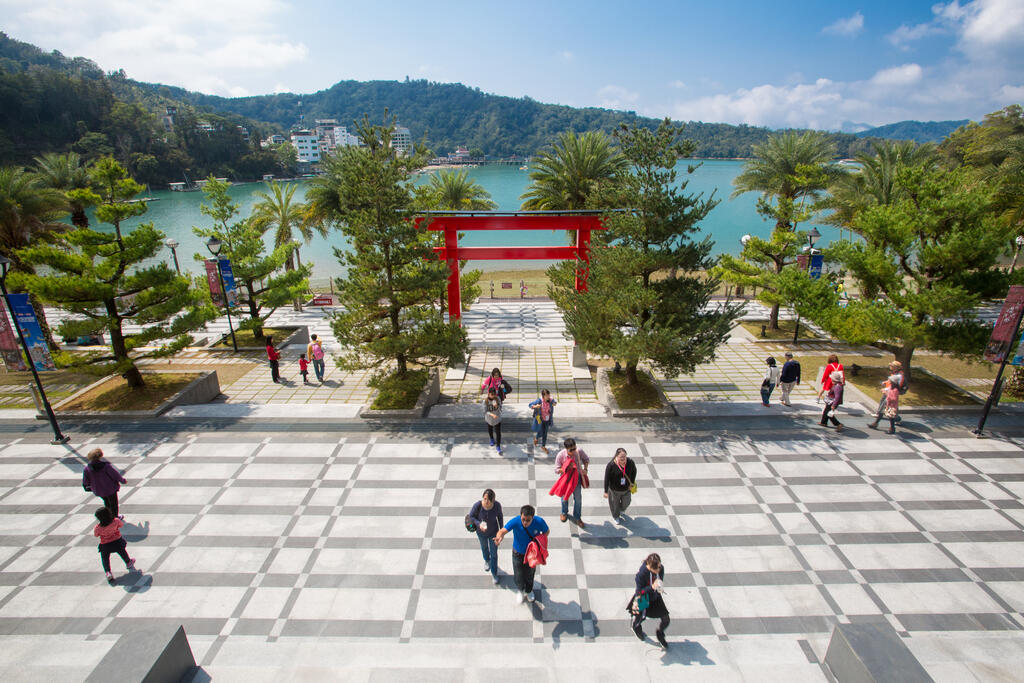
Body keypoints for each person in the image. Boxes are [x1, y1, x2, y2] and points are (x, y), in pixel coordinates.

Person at [494, 504, 549, 604]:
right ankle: (520, 590)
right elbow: (502, 531)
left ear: (533, 517)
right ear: (520, 516)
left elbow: (546, 531)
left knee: (530, 574)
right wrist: (499, 537)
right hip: (517, 554)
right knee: (518, 575)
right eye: (523, 519)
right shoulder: (516, 521)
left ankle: (529, 591)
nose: (525, 522)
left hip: (532, 555)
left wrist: (539, 541)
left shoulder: (539, 521)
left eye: (528, 520)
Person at [630, 553, 670, 649]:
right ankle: (636, 626)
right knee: (641, 617)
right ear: (650, 566)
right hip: (643, 597)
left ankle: (660, 633)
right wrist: (651, 587)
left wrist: (659, 587)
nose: (658, 570)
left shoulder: (660, 569)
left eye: (659, 567)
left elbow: (660, 579)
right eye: (656, 569)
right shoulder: (642, 574)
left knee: (666, 619)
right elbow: (639, 592)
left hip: (655, 596)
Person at [468, 489, 504, 584]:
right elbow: (471, 516)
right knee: (484, 547)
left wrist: (501, 531)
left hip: (493, 533)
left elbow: (500, 517)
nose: (486, 501)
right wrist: (479, 524)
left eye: (488, 499)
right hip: (481, 533)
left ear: (493, 500)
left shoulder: (496, 506)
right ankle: (486, 560)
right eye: (484, 498)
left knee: (494, 553)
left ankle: (494, 573)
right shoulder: (478, 505)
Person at [552, 438, 589, 528]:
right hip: (566, 480)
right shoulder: (561, 455)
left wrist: (585, 469)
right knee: (564, 497)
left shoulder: (579, 451)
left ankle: (577, 517)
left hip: (577, 479)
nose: (573, 451)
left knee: (578, 498)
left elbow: (586, 459)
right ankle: (564, 512)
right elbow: (556, 470)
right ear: (566, 449)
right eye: (571, 450)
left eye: (574, 448)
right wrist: (566, 468)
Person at [94, 506, 135, 585]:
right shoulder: (115, 521)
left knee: (105, 558)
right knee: (122, 551)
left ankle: (108, 572)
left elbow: (96, 535)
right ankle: (128, 562)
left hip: (105, 544)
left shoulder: (98, 528)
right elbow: (121, 525)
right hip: (117, 541)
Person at [82, 448, 126, 519]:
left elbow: (85, 481)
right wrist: (122, 480)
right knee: (113, 503)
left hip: (98, 490)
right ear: (100, 456)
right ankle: (115, 517)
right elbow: (115, 475)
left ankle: (108, 516)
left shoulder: (87, 469)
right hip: (110, 488)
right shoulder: (106, 466)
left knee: (106, 502)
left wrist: (88, 487)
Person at [603, 447, 637, 523]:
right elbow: (606, 478)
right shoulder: (611, 465)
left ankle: (621, 509)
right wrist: (606, 491)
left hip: (627, 489)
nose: (623, 460)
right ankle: (616, 516)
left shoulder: (630, 462)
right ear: (616, 457)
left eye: (624, 457)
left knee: (627, 502)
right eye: (621, 458)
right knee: (615, 505)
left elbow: (634, 471)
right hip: (614, 490)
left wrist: (632, 482)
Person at [868, 361, 904, 430]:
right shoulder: (895, 373)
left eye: (892, 366)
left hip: (891, 395)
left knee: (890, 412)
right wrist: (886, 385)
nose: (890, 367)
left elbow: (895, 387)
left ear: (896, 367)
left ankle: (892, 426)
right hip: (889, 393)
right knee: (885, 410)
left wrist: (886, 390)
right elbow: (891, 383)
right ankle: (878, 423)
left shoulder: (898, 376)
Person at [484, 388, 503, 454]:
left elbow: (500, 409)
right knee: (490, 429)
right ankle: (491, 439)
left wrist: (496, 406)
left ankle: (498, 446)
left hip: (497, 419)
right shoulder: (485, 401)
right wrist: (492, 414)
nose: (493, 396)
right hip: (489, 419)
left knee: (498, 432)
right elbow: (485, 411)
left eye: (494, 394)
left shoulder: (498, 399)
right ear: (488, 394)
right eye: (491, 394)